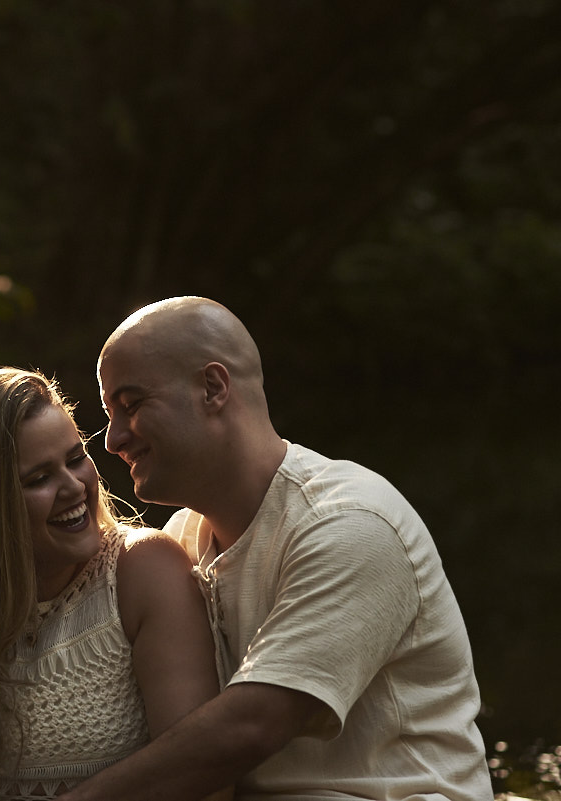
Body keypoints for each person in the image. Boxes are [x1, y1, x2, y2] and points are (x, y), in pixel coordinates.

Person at [59, 297, 493, 801]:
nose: (112, 440)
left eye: (130, 405)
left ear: (213, 388)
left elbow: (253, 726)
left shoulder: (349, 522)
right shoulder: (178, 542)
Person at [0, 367, 230, 801]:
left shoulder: (143, 571)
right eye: (38, 479)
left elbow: (200, 778)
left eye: (76, 458)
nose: (74, 486)